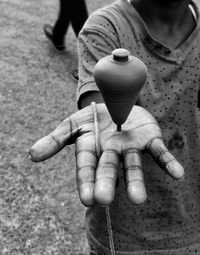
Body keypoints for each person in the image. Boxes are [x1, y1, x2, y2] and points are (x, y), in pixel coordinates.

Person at [30, 0, 200, 254]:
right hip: (122, 235)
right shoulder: (105, 28)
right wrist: (104, 116)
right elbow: (98, 104)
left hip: (192, 222)